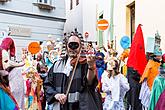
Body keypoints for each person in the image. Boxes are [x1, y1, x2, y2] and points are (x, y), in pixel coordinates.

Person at [44, 31, 100, 110]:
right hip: (60, 107)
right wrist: (56, 95)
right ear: (66, 46)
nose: (73, 48)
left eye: (76, 45)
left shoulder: (84, 64)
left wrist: (91, 66)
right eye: (71, 45)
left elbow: (90, 83)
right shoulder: (57, 65)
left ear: (80, 47)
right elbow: (47, 84)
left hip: (77, 106)